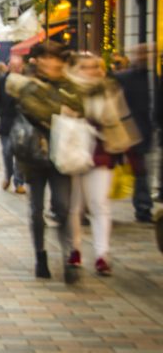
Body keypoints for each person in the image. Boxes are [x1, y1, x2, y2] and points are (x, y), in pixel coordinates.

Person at [6, 41, 82, 282]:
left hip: (62, 155)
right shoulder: (28, 85)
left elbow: (81, 106)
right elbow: (34, 109)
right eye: (47, 58)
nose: (52, 63)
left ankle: (69, 257)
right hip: (33, 155)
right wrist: (61, 109)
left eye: (56, 58)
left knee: (62, 207)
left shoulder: (69, 84)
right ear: (37, 61)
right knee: (36, 210)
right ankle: (41, 255)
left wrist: (56, 108)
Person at [67, 52, 133, 277]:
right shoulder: (67, 90)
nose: (92, 71)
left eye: (95, 67)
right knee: (74, 207)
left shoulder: (109, 89)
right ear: (76, 69)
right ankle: (74, 250)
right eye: (86, 67)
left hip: (101, 152)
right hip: (73, 154)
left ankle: (102, 255)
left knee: (100, 204)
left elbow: (120, 119)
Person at [114, 45, 154, 222]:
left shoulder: (155, 79)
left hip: (143, 131)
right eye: (142, 53)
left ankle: (143, 207)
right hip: (124, 130)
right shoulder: (123, 78)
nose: (145, 57)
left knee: (141, 171)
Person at [0, 56, 27, 194]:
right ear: (9, 66)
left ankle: (19, 182)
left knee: (20, 154)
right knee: (7, 152)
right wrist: (0, 111)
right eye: (13, 66)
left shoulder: (26, 82)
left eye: (18, 66)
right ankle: (8, 175)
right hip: (6, 122)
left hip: (22, 122)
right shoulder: (1, 81)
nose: (16, 69)